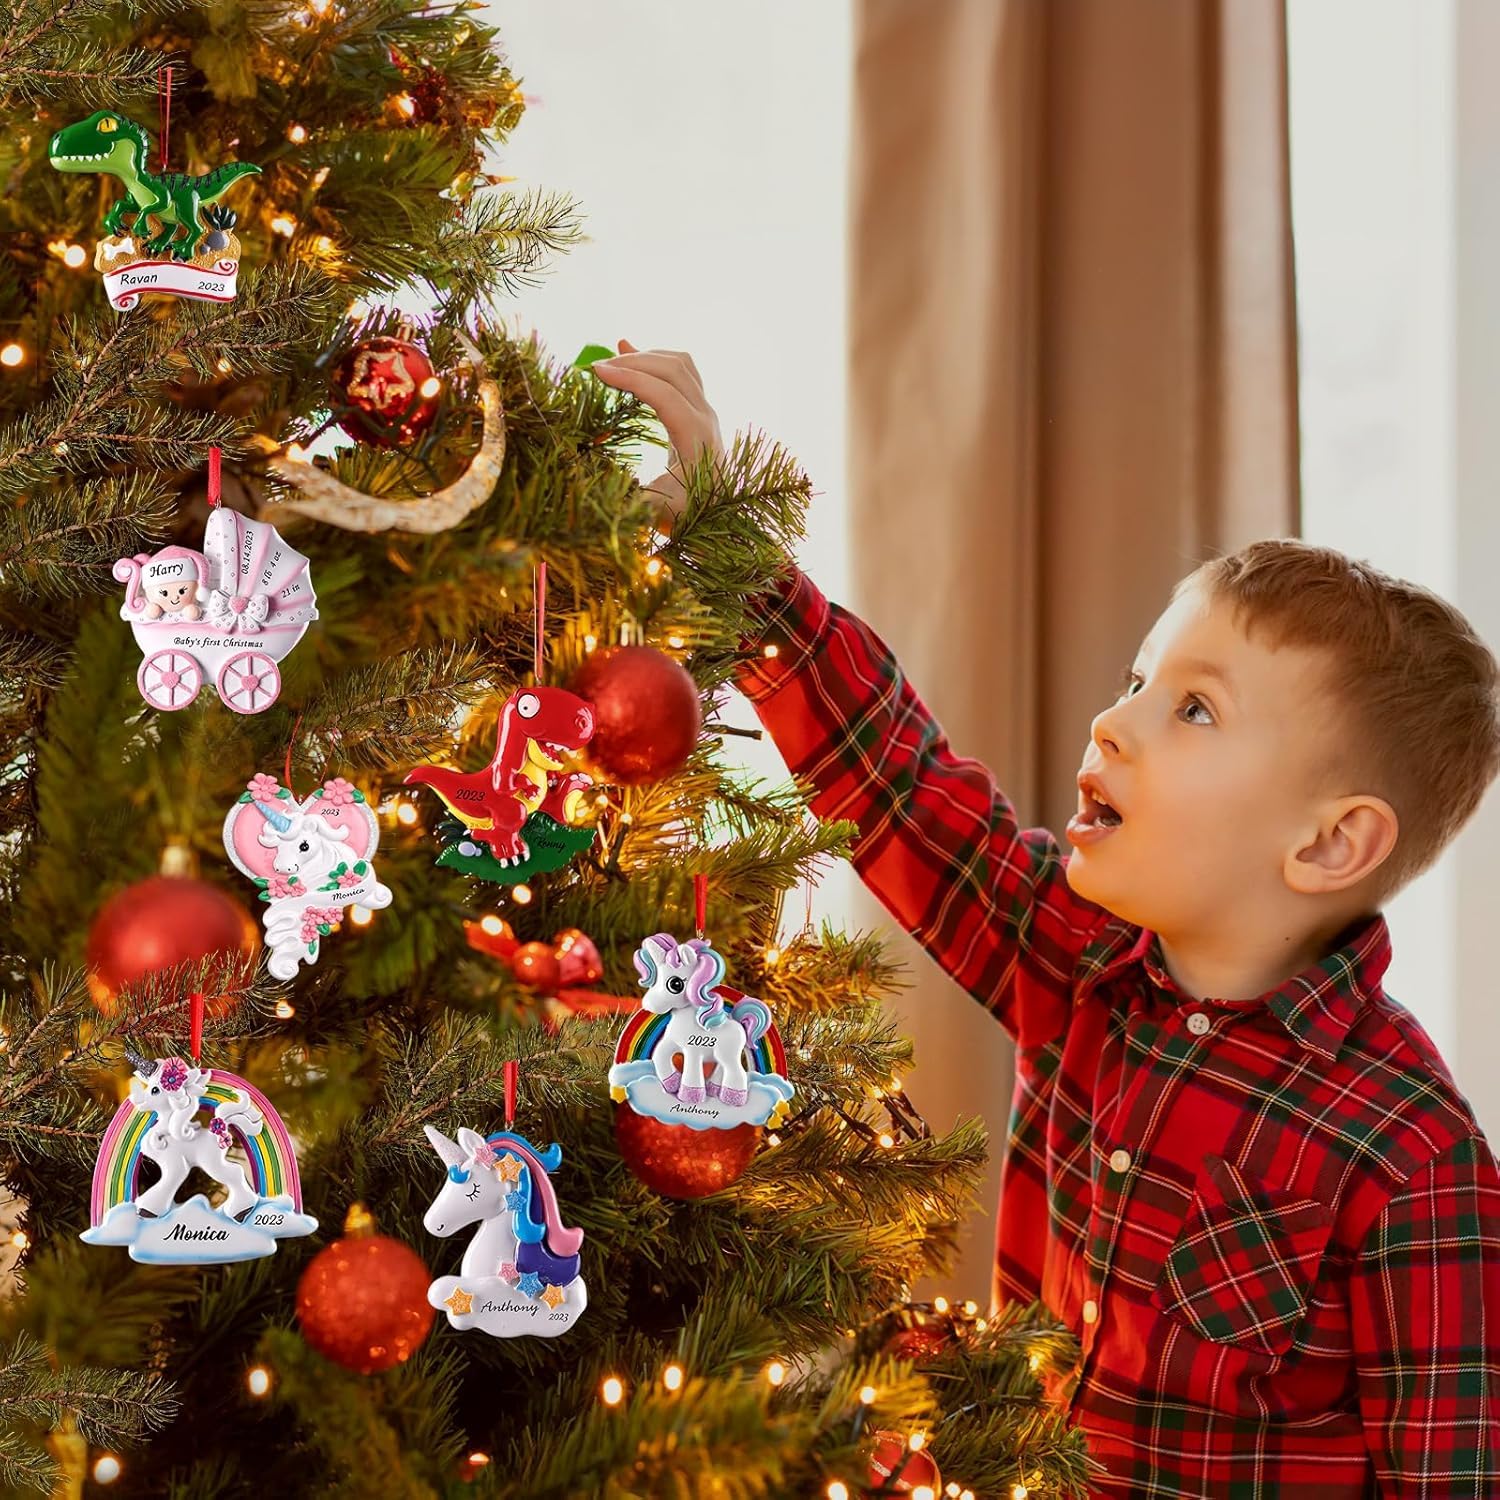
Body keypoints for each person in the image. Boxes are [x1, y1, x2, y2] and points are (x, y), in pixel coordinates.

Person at [590, 342, 1500, 1496]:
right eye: (1135, 681)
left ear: (1327, 844)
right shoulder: (1078, 959)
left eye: (1195, 711)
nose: (1112, 726)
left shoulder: (1412, 1157)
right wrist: (740, 561)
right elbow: (900, 782)